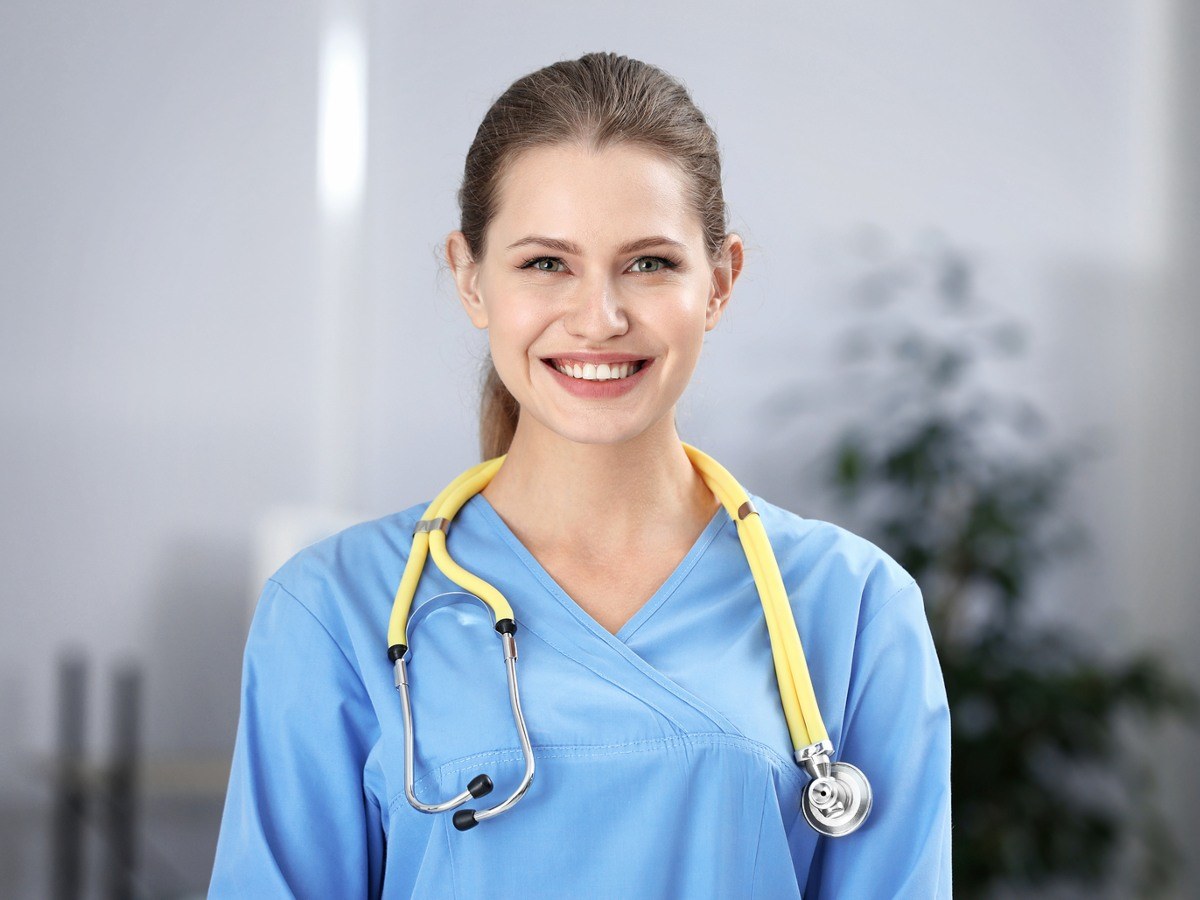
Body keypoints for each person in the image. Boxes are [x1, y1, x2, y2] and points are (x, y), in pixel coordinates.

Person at [209, 51, 951, 898]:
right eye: (546, 263)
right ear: (469, 276)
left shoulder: (854, 608)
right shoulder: (334, 610)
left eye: (649, 263)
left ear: (720, 281)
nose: (599, 318)